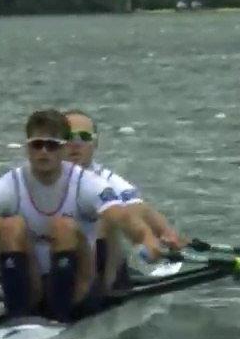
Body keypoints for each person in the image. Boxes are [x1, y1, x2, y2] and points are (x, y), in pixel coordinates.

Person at [0, 109, 164, 323]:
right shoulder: (10, 184)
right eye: (37, 145)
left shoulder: (87, 183)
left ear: (63, 150)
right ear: (27, 148)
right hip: (37, 282)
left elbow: (122, 217)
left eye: (52, 145)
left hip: (81, 288)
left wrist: (145, 238)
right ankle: (19, 315)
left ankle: (62, 316)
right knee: (10, 226)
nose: (44, 152)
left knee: (63, 226)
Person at [62, 109, 187, 294]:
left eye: (83, 137)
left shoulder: (106, 179)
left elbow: (139, 208)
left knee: (109, 216)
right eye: (67, 137)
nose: (74, 144)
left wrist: (165, 234)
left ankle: (102, 290)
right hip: (59, 267)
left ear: (95, 143)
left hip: (100, 273)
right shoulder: (36, 179)